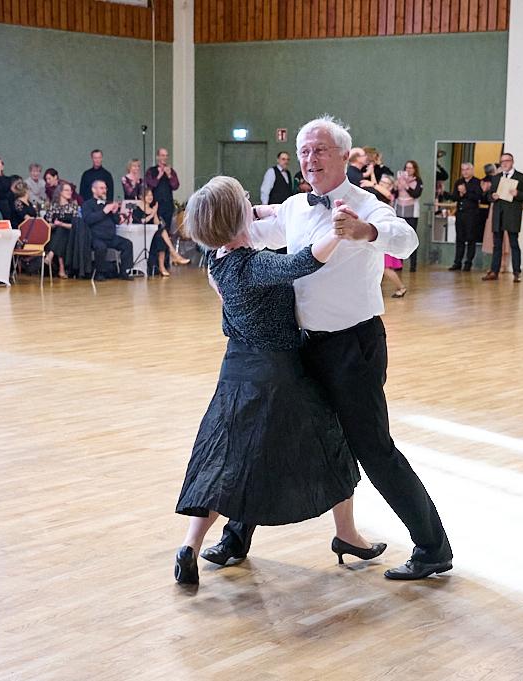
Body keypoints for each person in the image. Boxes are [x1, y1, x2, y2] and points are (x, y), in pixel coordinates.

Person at [203, 115, 452, 581]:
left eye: (319, 150)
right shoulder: (296, 207)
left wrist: (366, 233)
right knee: (269, 433)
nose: (310, 159)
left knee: (373, 447)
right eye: (304, 151)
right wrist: (225, 225)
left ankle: (433, 547)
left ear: (342, 155)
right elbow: (250, 236)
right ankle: (236, 537)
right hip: (299, 345)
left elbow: (407, 238)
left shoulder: (366, 204)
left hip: (352, 346)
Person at [173, 175, 378, 585]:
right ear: (236, 217)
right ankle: (348, 534)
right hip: (278, 373)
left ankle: (190, 546)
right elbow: (305, 261)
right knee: (331, 444)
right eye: (245, 201)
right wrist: (337, 232)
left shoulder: (215, 262)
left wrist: (270, 213)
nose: (251, 203)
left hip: (236, 370)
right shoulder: (256, 264)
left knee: (226, 461)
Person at [483, 152, 523, 283]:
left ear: (512, 162)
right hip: (498, 214)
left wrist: (517, 193)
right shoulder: (496, 177)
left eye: (507, 161)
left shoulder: (521, 177)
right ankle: (494, 271)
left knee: (514, 243)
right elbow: (488, 195)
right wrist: (492, 196)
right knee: (497, 244)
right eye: (502, 161)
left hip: (512, 215)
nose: (504, 163)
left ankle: (516, 272)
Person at [81, 180, 134, 281]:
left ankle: (124, 272)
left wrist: (115, 213)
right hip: (95, 237)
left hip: (110, 236)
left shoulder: (108, 203)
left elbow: (117, 221)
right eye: (101, 188)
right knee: (101, 247)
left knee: (127, 244)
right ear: (94, 190)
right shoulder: (87, 204)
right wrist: (104, 211)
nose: (104, 191)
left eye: (105, 188)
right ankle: (100, 273)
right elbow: (88, 219)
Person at [145, 148, 181, 274]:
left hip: (168, 206)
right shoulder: (152, 171)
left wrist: (169, 175)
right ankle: (156, 264)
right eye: (162, 155)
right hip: (155, 207)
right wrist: (160, 175)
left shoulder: (170, 171)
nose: (164, 158)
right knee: (160, 233)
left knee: (168, 233)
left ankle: (166, 263)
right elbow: (150, 184)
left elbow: (176, 185)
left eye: (166, 156)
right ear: (157, 157)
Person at [140, 186, 189, 276]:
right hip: (143, 234)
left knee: (161, 235)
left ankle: (165, 264)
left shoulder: (153, 207)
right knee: (162, 233)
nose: (150, 197)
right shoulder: (139, 208)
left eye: (151, 195)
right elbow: (142, 221)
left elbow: (157, 223)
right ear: (142, 197)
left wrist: (154, 212)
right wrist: (152, 213)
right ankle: (174, 255)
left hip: (154, 234)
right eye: (147, 195)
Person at [372, 175, 407, 297]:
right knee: (378, 266)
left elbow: (384, 192)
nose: (382, 184)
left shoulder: (389, 196)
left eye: (386, 183)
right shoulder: (377, 194)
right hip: (379, 233)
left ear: (391, 186)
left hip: (385, 235)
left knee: (385, 267)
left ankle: (401, 287)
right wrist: (371, 171)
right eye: (381, 181)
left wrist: (373, 183)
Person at [449, 162, 486, 272]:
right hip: (460, 213)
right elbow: (455, 197)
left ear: (472, 170)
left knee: (471, 239)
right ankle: (457, 262)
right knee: (459, 238)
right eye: (463, 170)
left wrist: (465, 192)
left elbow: (478, 197)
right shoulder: (458, 182)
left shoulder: (477, 182)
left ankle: (468, 262)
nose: (465, 172)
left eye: (467, 169)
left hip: (472, 214)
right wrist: (459, 194)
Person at [394, 160, 424, 271]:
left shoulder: (418, 181)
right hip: (399, 212)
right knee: (400, 238)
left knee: (411, 237)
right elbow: (395, 195)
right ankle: (399, 264)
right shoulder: (400, 180)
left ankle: (413, 265)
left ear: (415, 169)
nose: (408, 170)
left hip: (412, 213)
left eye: (411, 168)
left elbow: (416, 194)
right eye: (406, 168)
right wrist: (396, 186)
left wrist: (406, 186)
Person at [45, 181, 76, 279]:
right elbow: (47, 224)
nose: (69, 192)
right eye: (66, 190)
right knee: (59, 231)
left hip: (70, 232)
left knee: (62, 230)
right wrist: (55, 225)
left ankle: (51, 254)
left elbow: (76, 225)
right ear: (60, 192)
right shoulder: (53, 206)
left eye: (70, 190)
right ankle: (61, 269)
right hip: (55, 233)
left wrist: (62, 224)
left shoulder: (73, 207)